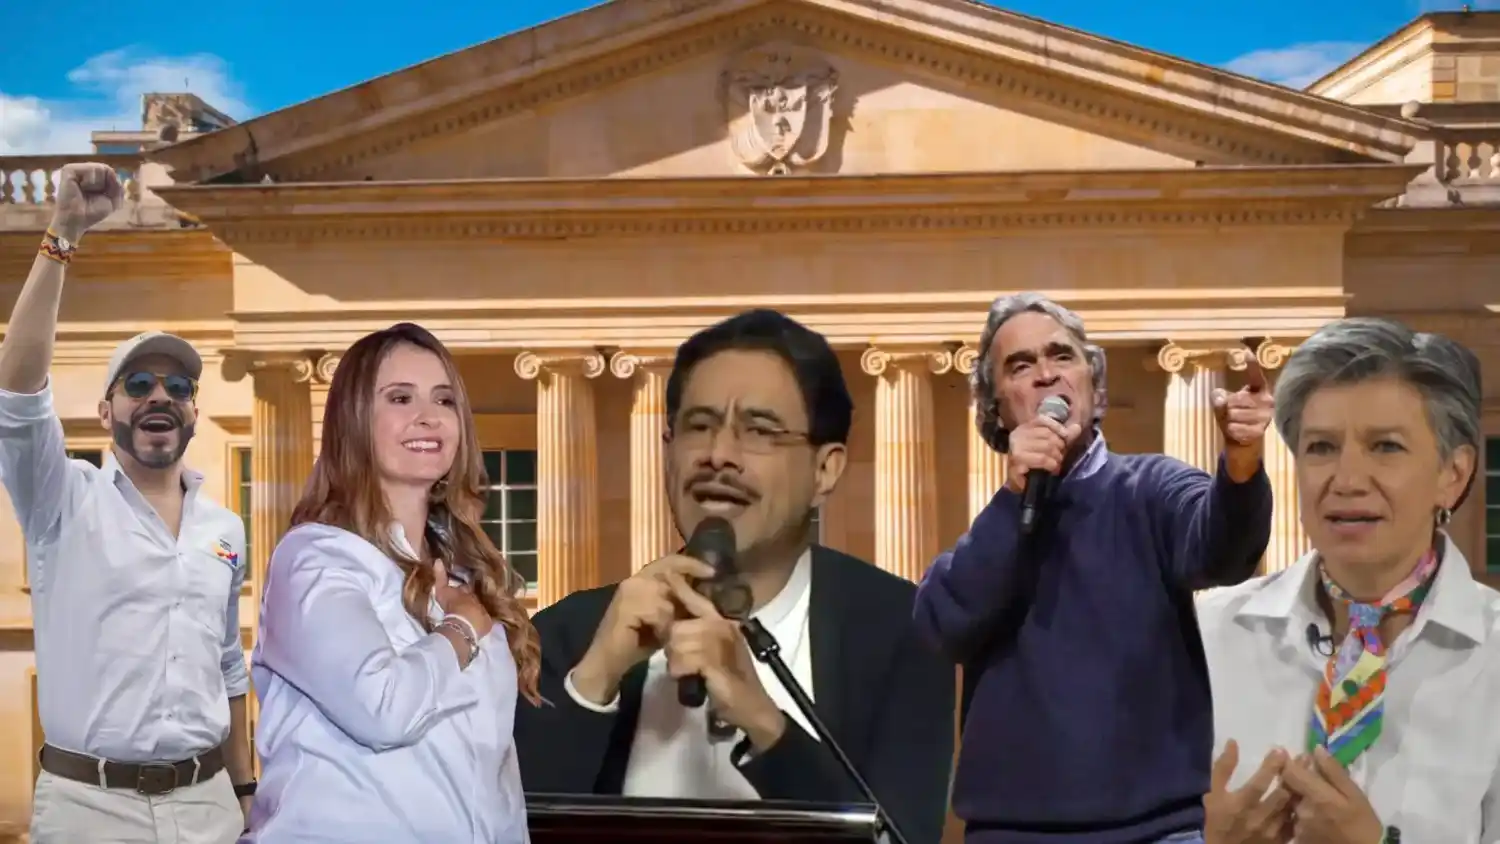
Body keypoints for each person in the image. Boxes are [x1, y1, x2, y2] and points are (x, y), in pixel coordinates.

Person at [514, 309, 956, 844]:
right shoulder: (569, 633)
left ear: (825, 469)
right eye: (698, 426)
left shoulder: (900, 628)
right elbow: (499, 827)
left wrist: (767, 725)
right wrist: (594, 684)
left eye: (760, 431)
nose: (718, 455)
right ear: (668, 451)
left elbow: (902, 837)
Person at [915, 292, 1277, 843]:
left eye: (1062, 357)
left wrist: (1241, 462)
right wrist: (1014, 502)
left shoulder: (1152, 489)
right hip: (1011, 833)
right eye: (1020, 365)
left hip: (1157, 831)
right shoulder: (996, 526)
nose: (1045, 375)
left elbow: (1222, 552)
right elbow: (940, 626)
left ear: (1094, 386)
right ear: (995, 409)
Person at [0, 162, 254, 844]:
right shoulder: (62, 501)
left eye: (177, 386)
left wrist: (244, 791)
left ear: (195, 413)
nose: (159, 396)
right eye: (138, 383)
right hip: (90, 808)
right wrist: (62, 234)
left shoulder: (224, 527)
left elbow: (228, 663)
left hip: (208, 806)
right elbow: (18, 396)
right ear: (107, 408)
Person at [1199, 318, 1498, 844]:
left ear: (1452, 474)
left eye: (1385, 447)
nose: (1347, 479)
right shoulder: (1206, 636)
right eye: (1320, 447)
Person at [240, 322, 539, 843]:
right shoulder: (316, 558)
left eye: (443, 400)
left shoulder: (464, 573)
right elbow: (382, 708)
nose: (428, 416)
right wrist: (462, 630)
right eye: (400, 398)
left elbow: (495, 769)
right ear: (355, 422)